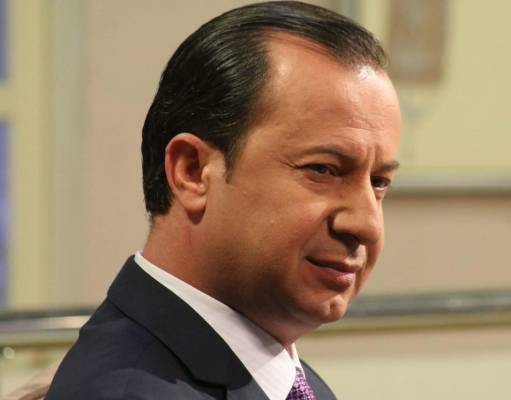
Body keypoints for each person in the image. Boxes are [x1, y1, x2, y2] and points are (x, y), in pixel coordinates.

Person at [46, 1, 401, 399]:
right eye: (323, 169)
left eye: (379, 182)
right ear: (193, 171)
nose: (366, 224)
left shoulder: (280, 376)